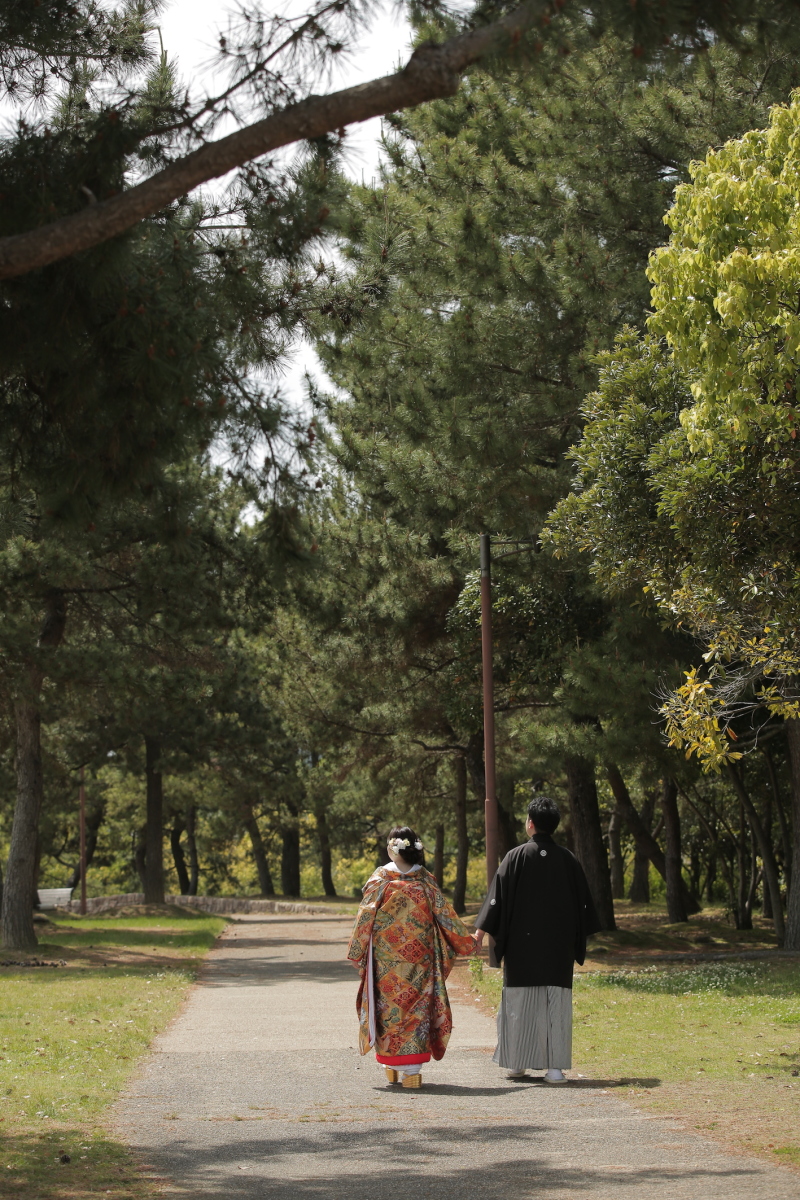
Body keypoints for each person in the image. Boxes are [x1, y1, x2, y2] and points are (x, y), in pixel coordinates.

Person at [473, 795, 601, 1082]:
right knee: (555, 1005)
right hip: (558, 948)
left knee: (519, 1005)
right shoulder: (569, 859)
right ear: (553, 826)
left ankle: (517, 1064)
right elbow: (584, 906)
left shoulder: (515, 857)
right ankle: (555, 1069)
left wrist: (480, 931)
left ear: (530, 824)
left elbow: (497, 900)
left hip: (522, 946)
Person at [347, 825, 475, 1088]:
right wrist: (467, 942)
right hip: (420, 959)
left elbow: (365, 917)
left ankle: (390, 1065)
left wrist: (357, 950)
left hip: (386, 961)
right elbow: (446, 917)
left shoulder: (380, 879)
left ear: (392, 849)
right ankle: (411, 1072)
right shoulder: (426, 881)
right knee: (416, 1010)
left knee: (388, 1009)